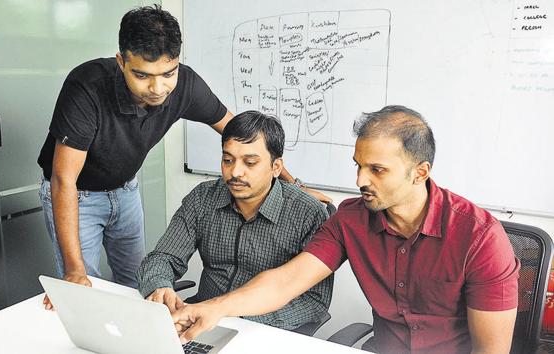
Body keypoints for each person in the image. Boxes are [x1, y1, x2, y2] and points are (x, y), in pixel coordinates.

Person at [37, 5, 329, 308]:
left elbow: (245, 136)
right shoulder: (87, 86)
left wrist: (293, 185)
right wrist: (74, 270)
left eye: (168, 73)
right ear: (121, 62)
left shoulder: (186, 84)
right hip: (76, 194)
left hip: (125, 189)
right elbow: (63, 178)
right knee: (85, 289)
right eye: (142, 75)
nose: (157, 88)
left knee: (132, 284)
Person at [171, 105, 520, 353]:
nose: (359, 180)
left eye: (377, 170)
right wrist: (216, 307)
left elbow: (491, 349)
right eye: (358, 166)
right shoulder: (351, 219)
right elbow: (285, 281)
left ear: (420, 172)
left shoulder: (479, 238)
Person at [136, 111, 333, 330]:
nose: (235, 172)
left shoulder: (307, 213)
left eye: (250, 163)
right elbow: (164, 257)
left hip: (263, 330)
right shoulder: (203, 199)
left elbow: (314, 301)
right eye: (228, 160)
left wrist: (235, 320)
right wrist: (160, 287)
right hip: (198, 321)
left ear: (276, 167)